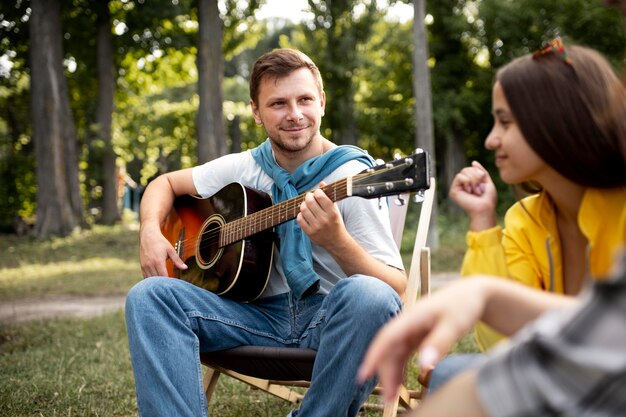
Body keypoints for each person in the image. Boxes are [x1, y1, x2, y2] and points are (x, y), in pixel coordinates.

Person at [125, 48, 407, 417]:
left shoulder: (349, 177)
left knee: (370, 296)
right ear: (256, 112)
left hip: (331, 319)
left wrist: (337, 242)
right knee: (149, 296)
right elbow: (164, 182)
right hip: (253, 317)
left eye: (305, 99)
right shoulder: (245, 167)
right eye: (278, 104)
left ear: (321, 102)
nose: (294, 114)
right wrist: (149, 229)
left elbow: (394, 290)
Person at [426, 38, 626, 391]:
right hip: (558, 375)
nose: (491, 140)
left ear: (555, 120)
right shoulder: (524, 219)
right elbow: (500, 344)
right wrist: (484, 222)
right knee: (450, 372)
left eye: (505, 123)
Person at [358, 250, 626, 417]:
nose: (490, 153)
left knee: (453, 371)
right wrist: (487, 294)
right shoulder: (523, 218)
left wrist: (488, 295)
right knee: (451, 370)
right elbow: (603, 326)